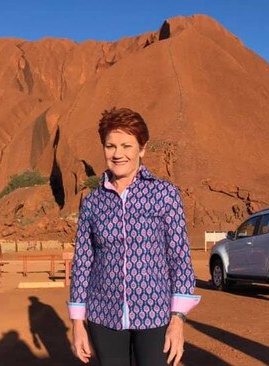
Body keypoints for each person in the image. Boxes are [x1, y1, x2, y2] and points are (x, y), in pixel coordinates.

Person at [68, 107, 200, 366]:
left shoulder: (164, 194)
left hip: (156, 314)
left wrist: (178, 320)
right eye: (110, 146)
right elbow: (83, 263)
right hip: (103, 314)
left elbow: (180, 260)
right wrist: (77, 324)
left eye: (127, 145)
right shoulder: (93, 202)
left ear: (142, 148)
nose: (118, 154)